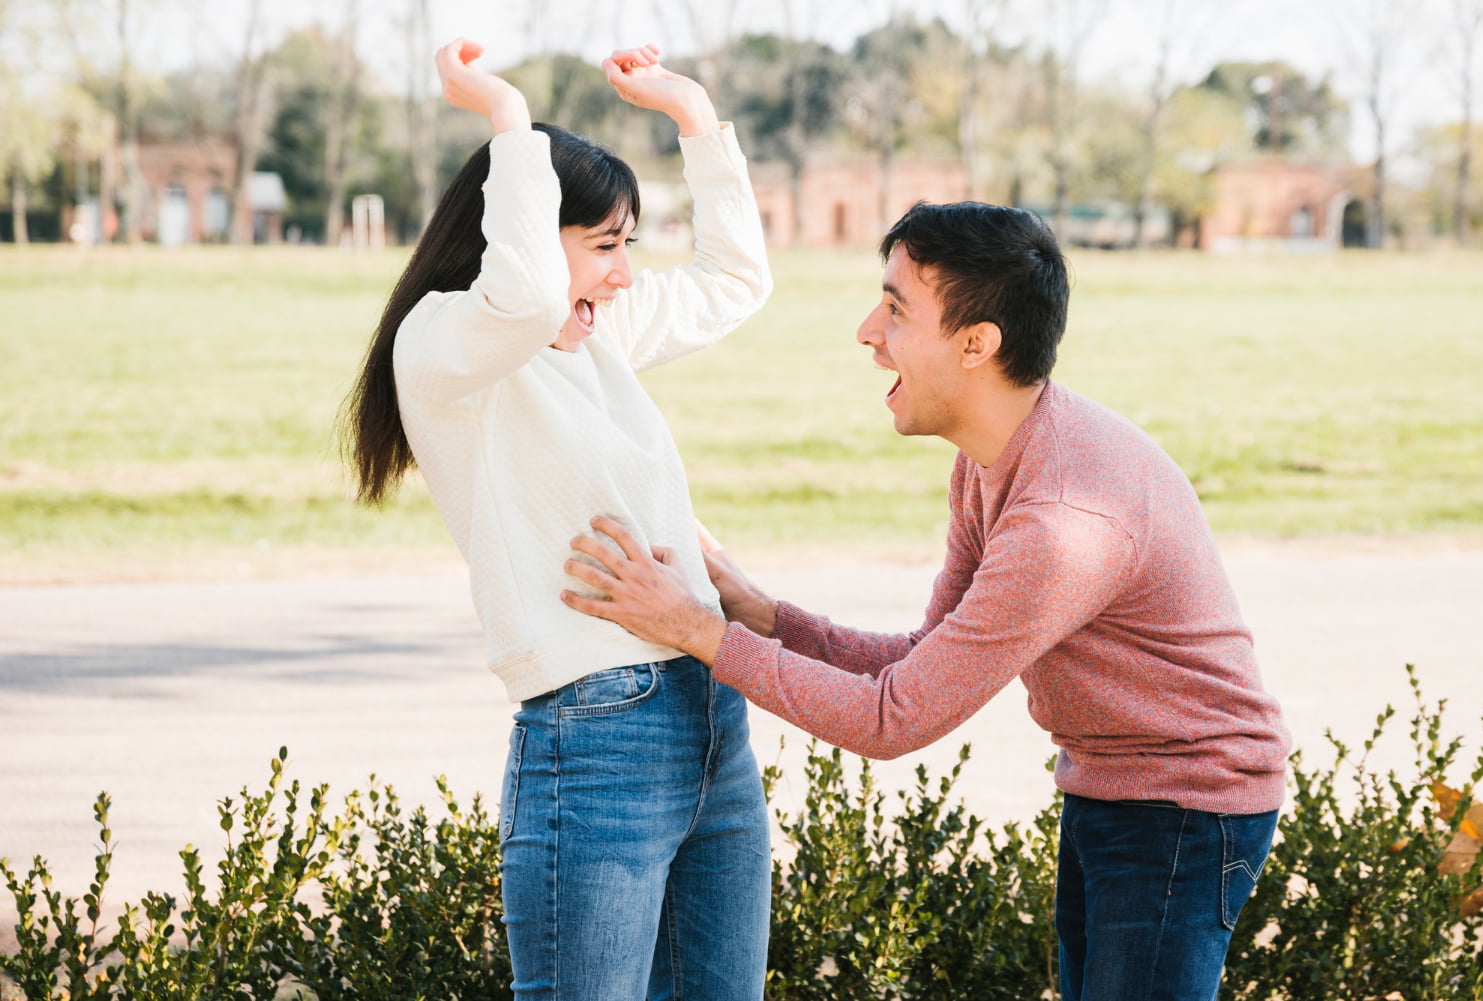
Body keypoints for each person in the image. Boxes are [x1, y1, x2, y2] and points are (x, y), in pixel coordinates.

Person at [560, 201, 1293, 1000]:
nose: (868, 331)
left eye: (897, 308)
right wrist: (762, 613)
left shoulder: (1060, 521)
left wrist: (698, 631)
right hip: (1114, 788)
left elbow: (893, 717)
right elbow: (920, 660)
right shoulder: (995, 461)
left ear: (978, 344)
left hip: (1187, 810)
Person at [340, 37, 773, 1001]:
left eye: (629, 248)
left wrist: (695, 115)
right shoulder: (447, 348)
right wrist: (506, 119)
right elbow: (531, 289)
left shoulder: (589, 335)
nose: (623, 278)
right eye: (606, 247)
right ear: (530, 232)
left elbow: (736, 284)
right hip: (597, 734)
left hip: (713, 714)